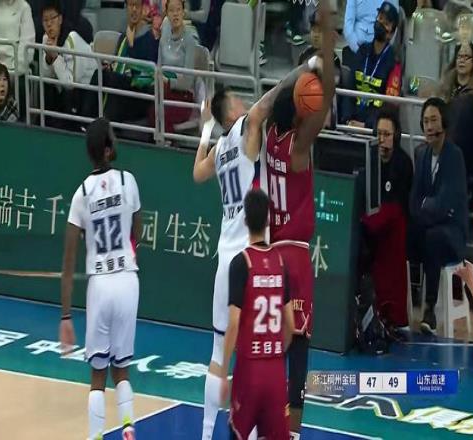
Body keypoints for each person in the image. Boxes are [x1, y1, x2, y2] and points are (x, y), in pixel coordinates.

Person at [192, 30, 327, 437]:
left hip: (223, 256)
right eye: (235, 100)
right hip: (251, 255)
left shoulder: (220, 149)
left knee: (219, 352)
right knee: (257, 354)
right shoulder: (248, 128)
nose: (241, 101)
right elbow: (269, 102)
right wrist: (306, 68)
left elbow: (196, 173)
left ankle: (206, 432)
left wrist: (205, 129)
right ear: (231, 111)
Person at [265, 3, 335, 438]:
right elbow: (323, 106)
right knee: (300, 348)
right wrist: (324, 53)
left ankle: (267, 421)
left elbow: (276, 97)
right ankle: (291, 432)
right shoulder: (298, 147)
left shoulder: (269, 138)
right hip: (293, 255)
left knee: (274, 342)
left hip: (270, 254)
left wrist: (298, 77)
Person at [59, 118, 142, 440]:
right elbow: (137, 232)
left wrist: (66, 315)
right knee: (122, 369)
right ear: (107, 150)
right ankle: (128, 426)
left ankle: (96, 436)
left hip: (101, 285)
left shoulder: (81, 194)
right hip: (127, 280)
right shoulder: (128, 181)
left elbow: (69, 261)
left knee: (98, 375)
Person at [219, 189, 295, 439]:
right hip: (275, 371)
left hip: (249, 370)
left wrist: (223, 373)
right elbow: (290, 325)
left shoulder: (241, 263)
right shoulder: (281, 263)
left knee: (237, 433)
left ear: (244, 221)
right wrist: (276, 351)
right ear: (268, 221)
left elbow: (233, 323)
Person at [408, 97, 468, 334]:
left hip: (453, 232)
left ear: (444, 123)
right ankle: (400, 303)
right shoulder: (421, 154)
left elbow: (445, 203)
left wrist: (426, 207)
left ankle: (430, 309)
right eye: (425, 121)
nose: (429, 126)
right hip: (429, 225)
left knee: (432, 238)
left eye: (433, 120)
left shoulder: (455, 156)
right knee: (407, 232)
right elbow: (415, 199)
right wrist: (426, 208)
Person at [361, 105, 413, 330]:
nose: (382, 140)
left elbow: (399, 205)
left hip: (395, 225)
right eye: (379, 134)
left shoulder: (403, 163)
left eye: (387, 134)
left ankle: (393, 315)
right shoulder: (369, 159)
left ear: (396, 135)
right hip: (372, 221)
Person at [343, 1, 401, 129]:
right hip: (350, 126)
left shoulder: (394, 63)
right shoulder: (362, 51)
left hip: (375, 130)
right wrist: (347, 120)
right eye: (380, 18)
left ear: (391, 33)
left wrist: (366, 125)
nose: (380, 23)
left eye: (386, 23)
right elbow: (349, 90)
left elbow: (390, 105)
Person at [40, 0, 97, 129]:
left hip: (87, 90)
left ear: (60, 19)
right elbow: (46, 76)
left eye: (52, 19)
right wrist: (48, 58)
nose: (49, 24)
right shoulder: (46, 38)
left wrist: (55, 57)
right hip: (65, 88)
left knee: (67, 95)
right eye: (45, 20)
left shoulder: (72, 38)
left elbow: (71, 84)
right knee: (46, 88)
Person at [159, 0, 200, 134]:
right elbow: (159, 67)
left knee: (160, 113)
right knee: (151, 109)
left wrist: (169, 82)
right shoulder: (164, 37)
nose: (175, 14)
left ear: (183, 12)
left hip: (183, 96)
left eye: (178, 10)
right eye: (171, 10)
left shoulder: (189, 40)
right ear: (167, 14)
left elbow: (188, 81)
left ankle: (168, 142)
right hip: (163, 91)